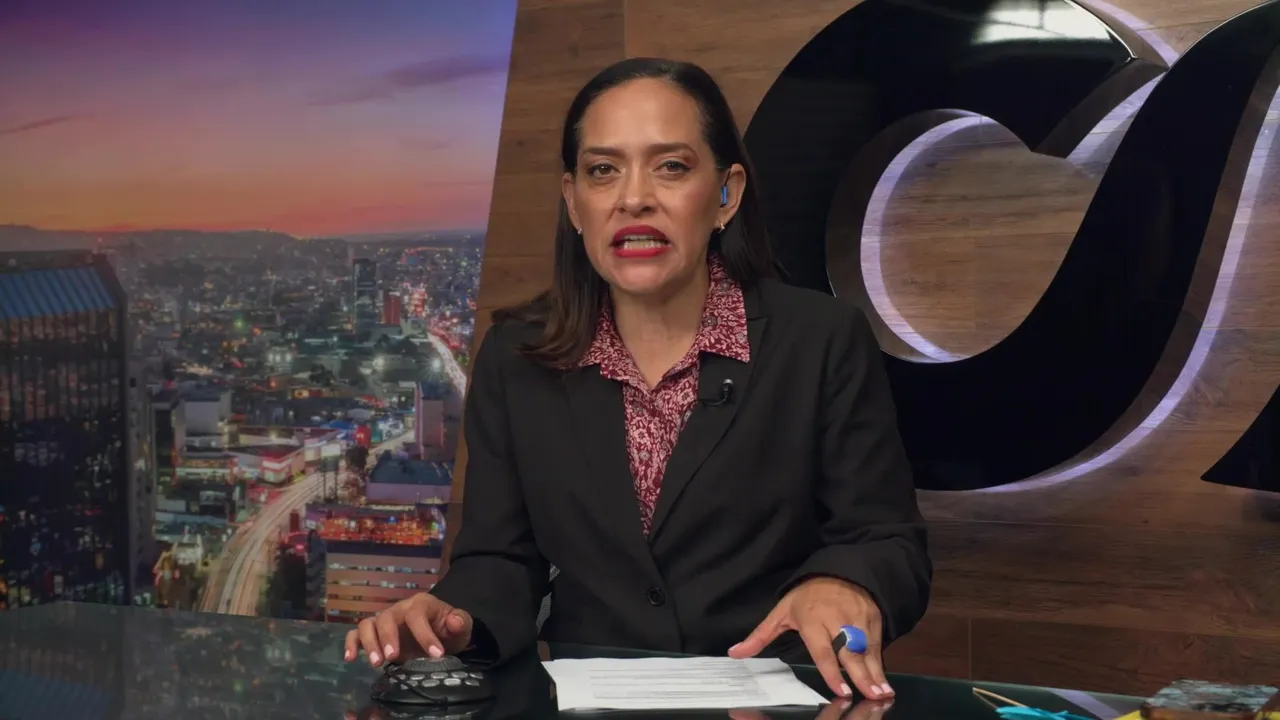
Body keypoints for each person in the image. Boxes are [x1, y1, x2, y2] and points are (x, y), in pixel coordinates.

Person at [344, 57, 931, 702]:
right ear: (574, 201)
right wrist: (452, 618)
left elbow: (884, 539)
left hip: (771, 703)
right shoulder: (517, 358)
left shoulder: (820, 339)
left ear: (727, 193)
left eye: (671, 166)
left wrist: (844, 583)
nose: (633, 198)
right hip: (592, 703)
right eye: (603, 170)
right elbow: (499, 560)